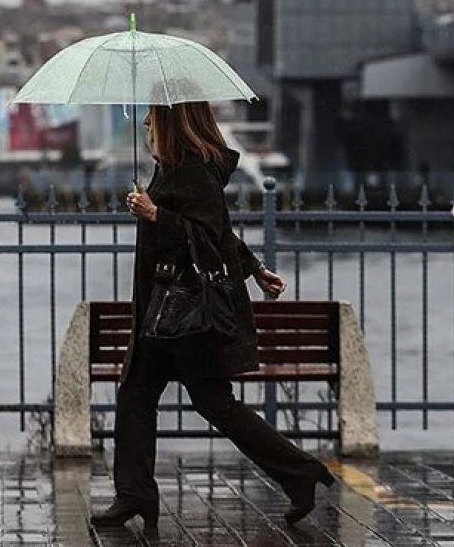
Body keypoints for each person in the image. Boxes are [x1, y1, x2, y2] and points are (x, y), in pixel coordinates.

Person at [91, 101, 334, 533]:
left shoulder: (195, 172)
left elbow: (204, 237)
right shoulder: (173, 168)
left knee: (212, 403)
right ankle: (134, 494)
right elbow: (219, 231)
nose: (146, 120)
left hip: (185, 313)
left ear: (173, 119)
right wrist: (256, 269)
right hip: (163, 313)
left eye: (152, 114)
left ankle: (298, 472)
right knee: (136, 396)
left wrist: (155, 215)